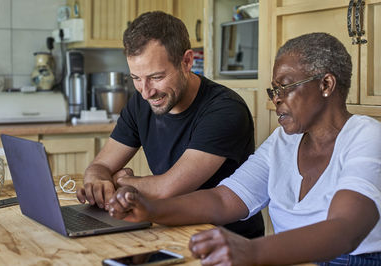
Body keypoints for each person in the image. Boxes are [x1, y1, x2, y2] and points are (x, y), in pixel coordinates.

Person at [107, 32, 381, 265]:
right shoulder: (281, 143)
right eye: (273, 90)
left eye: (285, 87)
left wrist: (252, 251)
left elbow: (347, 230)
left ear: (326, 84)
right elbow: (223, 200)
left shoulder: (366, 136)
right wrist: (151, 209)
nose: (277, 100)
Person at [76, 11, 264, 239]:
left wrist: (119, 181)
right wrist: (96, 179)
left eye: (156, 77)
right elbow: (100, 165)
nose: (146, 92)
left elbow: (167, 189)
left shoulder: (225, 110)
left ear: (186, 61)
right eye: (136, 78)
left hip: (226, 241)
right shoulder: (141, 103)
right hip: (169, 229)